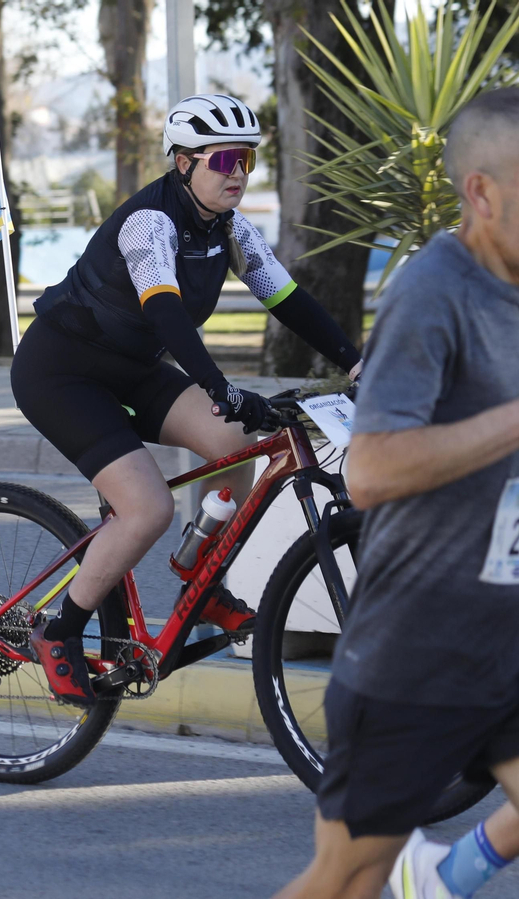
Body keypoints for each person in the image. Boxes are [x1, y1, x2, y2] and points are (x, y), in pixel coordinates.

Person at [10, 93, 364, 704]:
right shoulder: (150, 222)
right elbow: (167, 315)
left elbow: (289, 302)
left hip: (132, 368)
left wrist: (357, 363)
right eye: (224, 159)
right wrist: (220, 387)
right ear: (183, 162)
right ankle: (59, 631)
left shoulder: (231, 228)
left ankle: (201, 581)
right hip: (61, 372)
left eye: (246, 160)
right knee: (148, 509)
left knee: (234, 440)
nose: (237, 173)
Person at [276, 85, 519, 899]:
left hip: (504, 640)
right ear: (481, 192)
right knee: (346, 879)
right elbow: (370, 471)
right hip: (416, 655)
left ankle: (444, 878)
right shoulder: (433, 293)